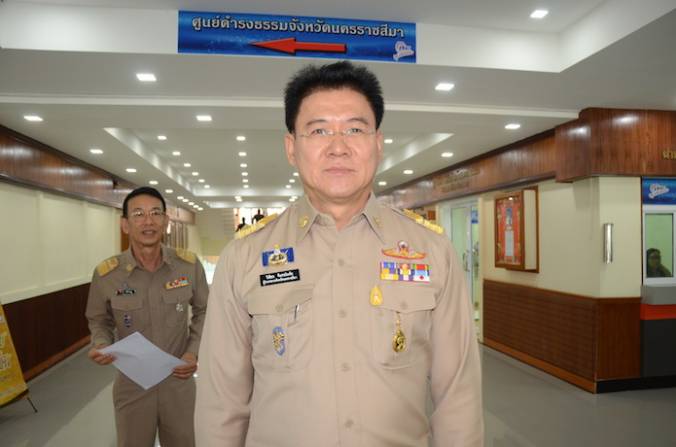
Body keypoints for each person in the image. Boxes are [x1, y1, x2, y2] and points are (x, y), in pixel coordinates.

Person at [195, 61, 483, 446]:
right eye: (319, 130)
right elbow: (221, 404)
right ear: (292, 148)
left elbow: (458, 396)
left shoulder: (431, 251)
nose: (338, 147)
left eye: (354, 129)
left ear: (378, 144)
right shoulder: (245, 256)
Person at [86, 186, 208, 447]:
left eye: (155, 213)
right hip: (132, 384)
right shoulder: (108, 274)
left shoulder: (188, 266)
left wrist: (193, 352)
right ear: (125, 225)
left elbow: (205, 310)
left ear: (166, 221)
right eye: (138, 214)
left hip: (178, 380)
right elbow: (99, 319)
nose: (148, 221)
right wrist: (101, 343)